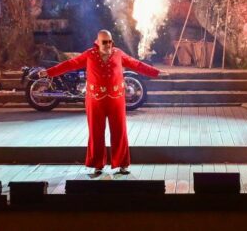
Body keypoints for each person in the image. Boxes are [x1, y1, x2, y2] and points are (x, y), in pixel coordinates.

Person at [40, 30, 159, 176]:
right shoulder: (90, 54)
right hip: (95, 100)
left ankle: (122, 164)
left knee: (119, 131)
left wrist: (155, 72)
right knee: (96, 133)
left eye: (110, 42)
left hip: (116, 99)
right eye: (105, 42)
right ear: (97, 42)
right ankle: (98, 165)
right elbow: (70, 64)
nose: (108, 45)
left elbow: (136, 64)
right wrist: (49, 72)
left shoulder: (118, 53)